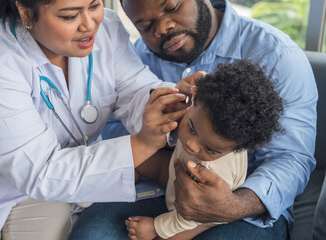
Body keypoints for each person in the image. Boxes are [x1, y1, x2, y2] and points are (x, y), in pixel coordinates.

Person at [70, 0, 318, 239]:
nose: (162, 28)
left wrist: (233, 205)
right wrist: (161, 134)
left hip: (246, 206)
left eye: (172, 7)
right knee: (92, 235)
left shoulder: (276, 54)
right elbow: (114, 127)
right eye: (145, 26)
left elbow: (291, 159)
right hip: (158, 188)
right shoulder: (139, 58)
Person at [0, 0, 197, 239]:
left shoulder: (107, 29)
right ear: (26, 13)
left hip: (52, 191)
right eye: (70, 16)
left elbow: (135, 90)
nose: (89, 24)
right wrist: (143, 144)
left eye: (95, 5)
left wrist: (174, 102)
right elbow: (39, 171)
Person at [125, 60, 284, 240]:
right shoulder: (202, 110)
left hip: (198, 214)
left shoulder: (215, 170)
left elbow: (188, 219)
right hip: (176, 171)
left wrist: (156, 227)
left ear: (238, 148)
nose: (192, 145)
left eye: (210, 149)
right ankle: (105, 188)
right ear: (194, 97)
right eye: (192, 129)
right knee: (137, 159)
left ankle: (197, 227)